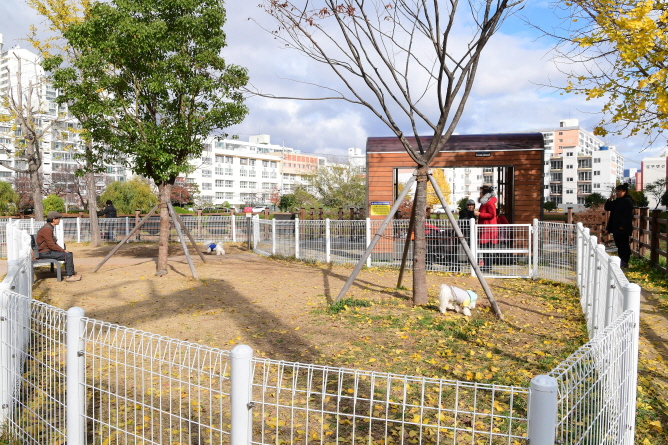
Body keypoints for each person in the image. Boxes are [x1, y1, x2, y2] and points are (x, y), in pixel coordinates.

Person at [36, 211, 82, 282]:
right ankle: (70, 276)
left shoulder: (48, 227)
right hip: (45, 253)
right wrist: (62, 250)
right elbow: (51, 245)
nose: (59, 220)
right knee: (68, 255)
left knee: (68, 254)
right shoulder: (47, 229)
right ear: (53, 219)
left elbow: (53, 243)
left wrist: (62, 250)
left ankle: (71, 274)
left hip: (46, 251)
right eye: (58, 219)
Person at [605, 183, 635, 268]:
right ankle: (621, 260)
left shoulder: (627, 201)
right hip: (616, 227)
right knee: (619, 244)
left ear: (624, 192)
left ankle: (625, 261)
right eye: (617, 191)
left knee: (624, 244)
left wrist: (623, 225)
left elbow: (628, 215)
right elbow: (607, 208)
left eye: (619, 191)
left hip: (623, 227)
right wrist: (609, 199)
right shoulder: (617, 201)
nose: (617, 193)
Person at [474, 185, 498, 272]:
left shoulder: (489, 203)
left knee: (487, 248)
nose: (479, 194)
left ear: (484, 194)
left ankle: (488, 266)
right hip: (486, 228)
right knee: (486, 248)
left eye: (480, 192)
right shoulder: (486, 202)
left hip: (488, 229)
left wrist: (480, 214)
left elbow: (492, 215)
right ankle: (486, 266)